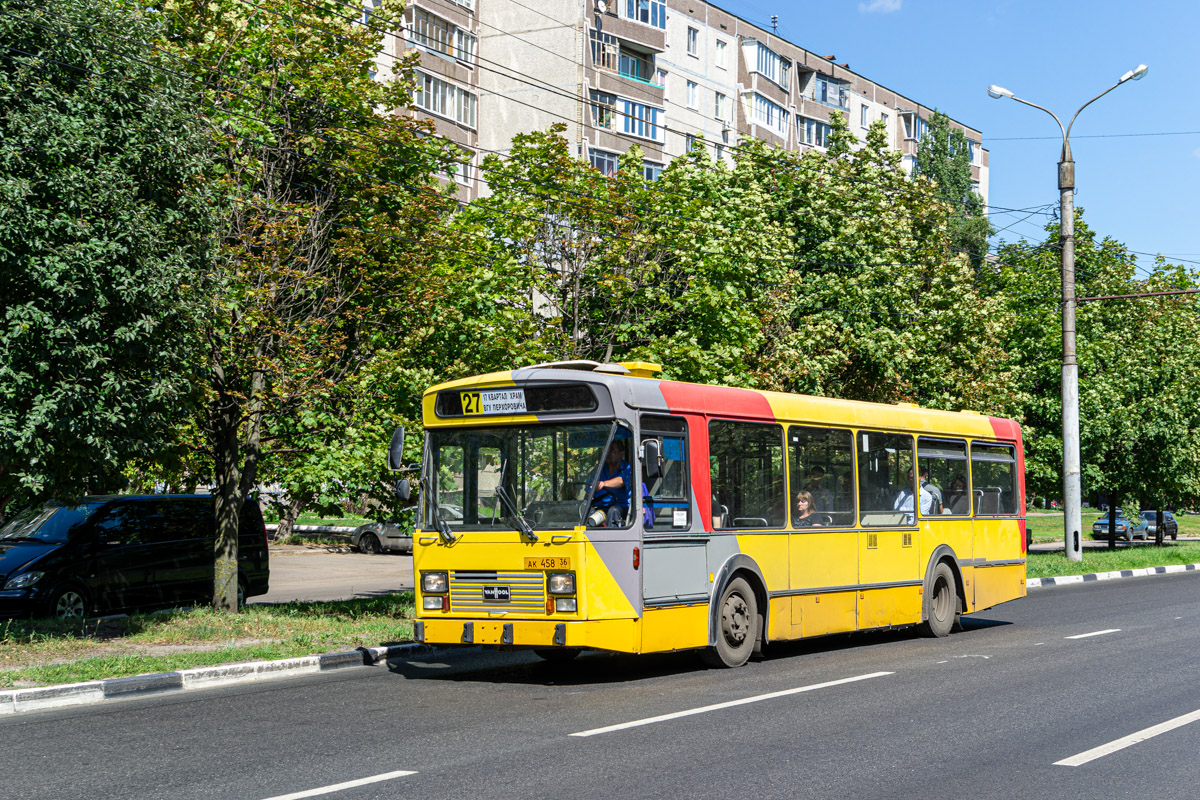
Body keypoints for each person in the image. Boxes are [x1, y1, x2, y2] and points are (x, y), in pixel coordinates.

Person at [591, 439, 632, 526]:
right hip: (600, 508)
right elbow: (589, 489)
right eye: (607, 450)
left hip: (620, 508)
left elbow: (621, 481)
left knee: (613, 511)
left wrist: (603, 484)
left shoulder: (627, 468)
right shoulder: (600, 469)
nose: (608, 453)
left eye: (612, 450)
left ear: (621, 454)